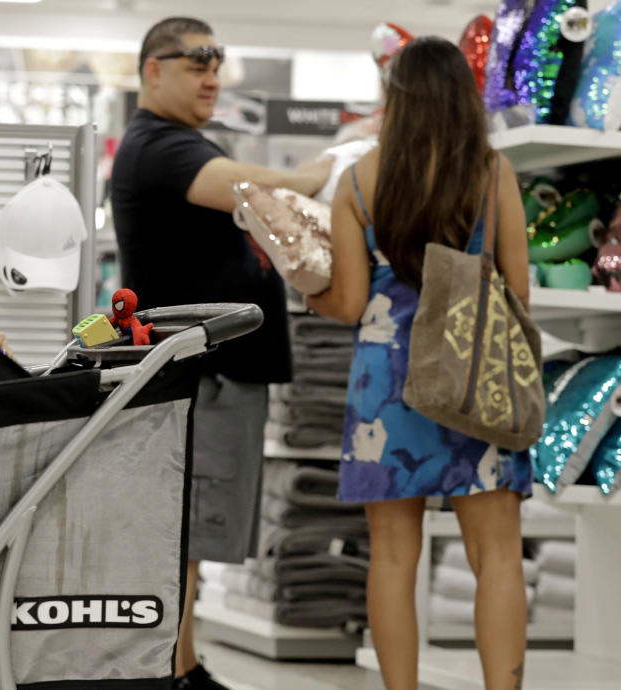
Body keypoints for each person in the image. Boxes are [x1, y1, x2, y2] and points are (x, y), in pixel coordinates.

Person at [111, 17, 331, 689]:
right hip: (196, 378)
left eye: (217, 62)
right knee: (181, 533)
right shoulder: (160, 147)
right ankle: (170, 673)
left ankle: (181, 664)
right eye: (194, 61)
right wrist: (333, 163)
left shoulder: (175, 143)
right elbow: (272, 187)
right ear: (153, 70)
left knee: (190, 538)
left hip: (210, 377)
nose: (211, 75)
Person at [307, 37, 532, 690]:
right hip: (477, 374)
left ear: (394, 100)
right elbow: (515, 289)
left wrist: (307, 288)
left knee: (392, 557)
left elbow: (348, 302)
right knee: (497, 557)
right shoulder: (490, 173)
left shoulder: (358, 180)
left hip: (386, 382)